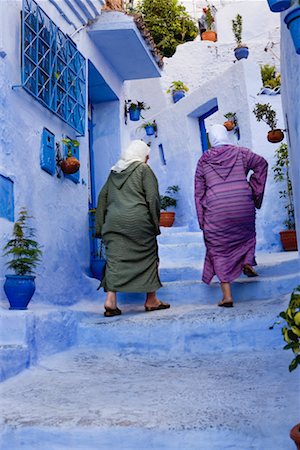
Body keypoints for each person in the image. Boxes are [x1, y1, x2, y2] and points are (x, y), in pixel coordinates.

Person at [194, 124, 268, 307]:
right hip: (242, 205)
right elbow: (261, 164)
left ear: (212, 139)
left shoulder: (204, 160)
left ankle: (227, 296)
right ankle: (247, 262)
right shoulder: (242, 153)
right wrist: (253, 190)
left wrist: (201, 219)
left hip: (216, 209)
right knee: (245, 237)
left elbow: (199, 191)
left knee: (218, 248)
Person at [95, 140, 170, 317]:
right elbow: (152, 198)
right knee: (150, 256)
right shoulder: (144, 170)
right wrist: (154, 223)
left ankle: (110, 300)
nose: (147, 160)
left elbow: (102, 199)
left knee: (115, 259)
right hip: (138, 222)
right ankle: (151, 300)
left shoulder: (114, 172)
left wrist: (100, 227)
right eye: (147, 156)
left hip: (114, 222)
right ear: (142, 155)